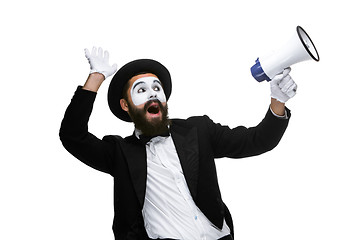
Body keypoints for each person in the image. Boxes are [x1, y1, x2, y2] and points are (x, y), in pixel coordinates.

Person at [59, 47, 297, 240]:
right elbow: (72, 136)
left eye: (156, 88)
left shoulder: (198, 130)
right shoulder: (120, 153)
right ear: (125, 105)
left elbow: (257, 141)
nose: (152, 93)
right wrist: (95, 79)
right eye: (141, 90)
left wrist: (278, 101)